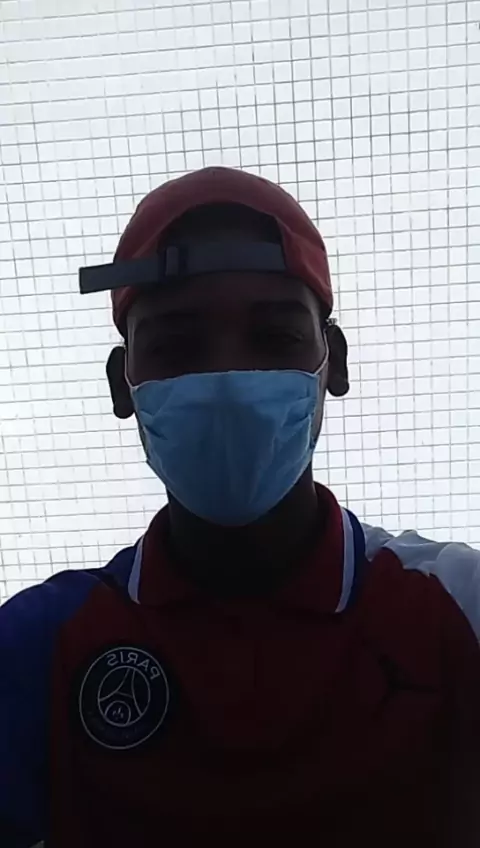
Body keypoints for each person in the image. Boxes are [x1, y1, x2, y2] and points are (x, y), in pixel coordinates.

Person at [1, 167, 479, 848]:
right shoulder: (34, 649)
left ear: (335, 362)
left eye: (275, 337)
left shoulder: (458, 609)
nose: (226, 379)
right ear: (121, 384)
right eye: (176, 344)